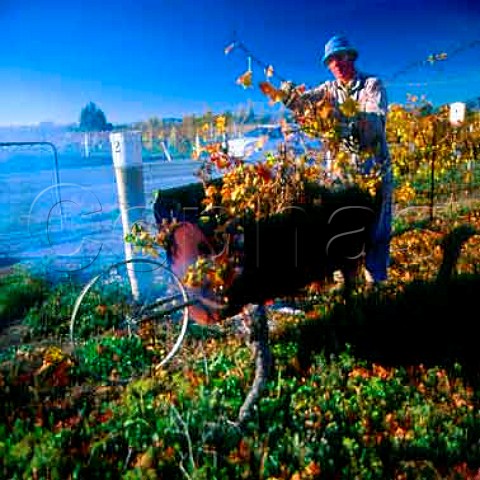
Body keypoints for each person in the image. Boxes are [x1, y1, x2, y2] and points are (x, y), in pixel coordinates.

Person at [281, 34, 392, 284]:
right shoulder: (327, 90)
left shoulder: (372, 85)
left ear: (351, 56)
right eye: (331, 61)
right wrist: (289, 97)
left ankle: (377, 285)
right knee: (343, 229)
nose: (336, 64)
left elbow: (373, 123)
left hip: (374, 172)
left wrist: (342, 121)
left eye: (340, 57)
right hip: (342, 175)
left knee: (377, 231)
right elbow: (304, 104)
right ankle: (347, 284)